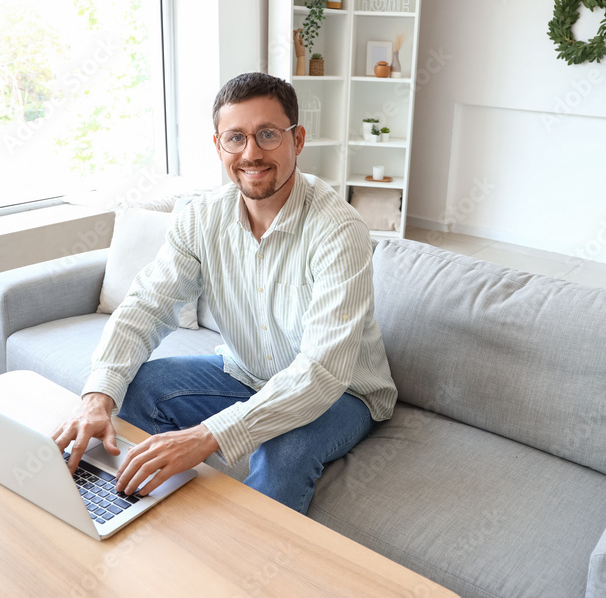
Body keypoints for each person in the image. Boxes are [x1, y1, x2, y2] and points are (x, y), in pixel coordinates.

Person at [51, 72, 397, 514]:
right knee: (133, 390)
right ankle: (134, 516)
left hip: (343, 393)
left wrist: (207, 436)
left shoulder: (338, 230)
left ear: (298, 140)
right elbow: (145, 308)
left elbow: (322, 372)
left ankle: (247, 574)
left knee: (283, 450)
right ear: (219, 146)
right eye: (236, 137)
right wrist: (96, 398)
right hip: (244, 373)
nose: (251, 153)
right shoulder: (200, 219)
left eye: (268, 135)